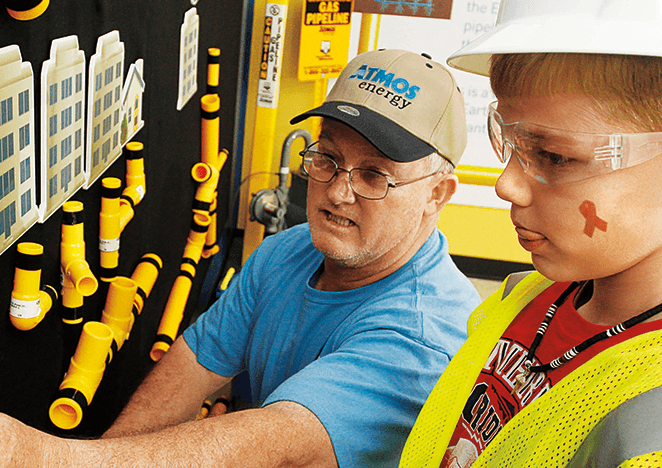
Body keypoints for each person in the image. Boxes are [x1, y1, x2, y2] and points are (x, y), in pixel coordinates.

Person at [0, 49, 481, 467]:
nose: (337, 192)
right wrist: (110, 449)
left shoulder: (425, 334)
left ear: (437, 194)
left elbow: (279, 444)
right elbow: (193, 365)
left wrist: (42, 457)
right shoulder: (287, 253)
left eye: (375, 174)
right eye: (327, 159)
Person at [398, 1, 662, 467]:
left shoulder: (648, 418)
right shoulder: (522, 301)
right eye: (511, 143)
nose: (506, 184)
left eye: (555, 156)